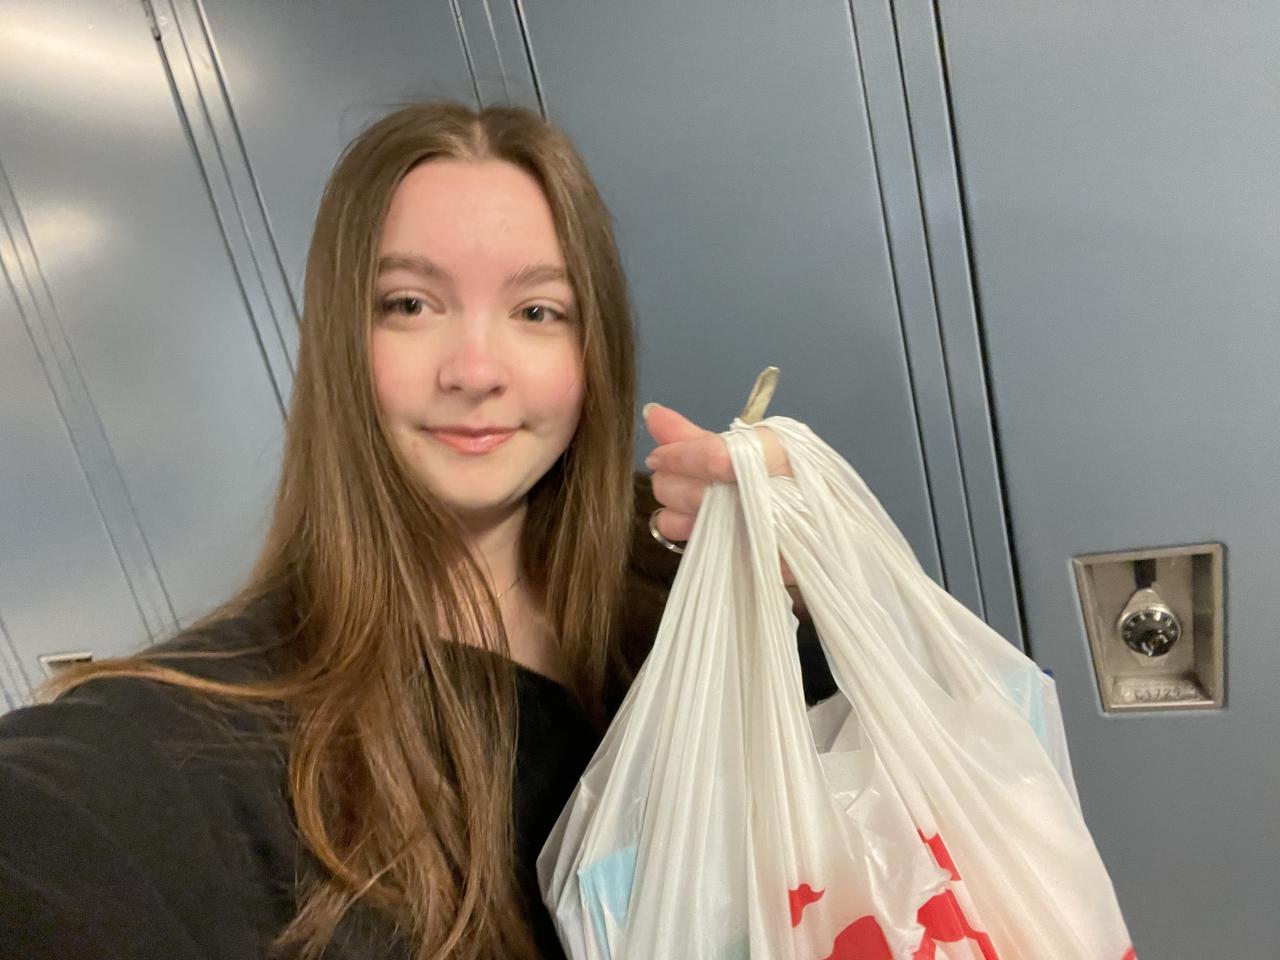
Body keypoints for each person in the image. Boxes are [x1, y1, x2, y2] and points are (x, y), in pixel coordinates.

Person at [0, 101, 835, 960]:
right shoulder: (198, 740)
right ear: (341, 341)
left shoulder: (681, 555)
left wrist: (823, 587)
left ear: (595, 347)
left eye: (537, 311)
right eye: (410, 304)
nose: (474, 371)